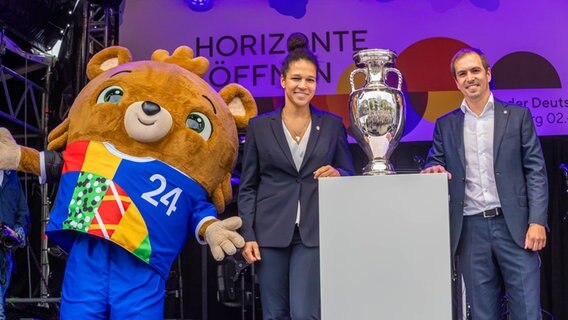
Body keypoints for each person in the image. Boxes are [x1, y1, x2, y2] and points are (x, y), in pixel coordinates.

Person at [421, 48, 548, 319]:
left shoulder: (517, 116)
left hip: (516, 227)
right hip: (470, 229)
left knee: (526, 310)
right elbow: (435, 162)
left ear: (488, 74)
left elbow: (535, 171)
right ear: (456, 82)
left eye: (475, 70)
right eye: (462, 74)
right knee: (481, 313)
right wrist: (433, 170)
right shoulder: (445, 125)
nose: (470, 78)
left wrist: (537, 220)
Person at [238, 33, 355, 320]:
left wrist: (338, 173)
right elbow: (248, 185)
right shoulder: (260, 127)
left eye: (310, 80)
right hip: (269, 232)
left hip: (313, 233)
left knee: (305, 313)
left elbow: (349, 172)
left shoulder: (331, 125)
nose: (303, 85)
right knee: (274, 314)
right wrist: (248, 235)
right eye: (296, 78)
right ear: (283, 80)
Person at [0, 170, 29, 319]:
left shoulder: (12, 177)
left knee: (2, 293)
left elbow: (23, 212)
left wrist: (18, 229)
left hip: (5, 248)